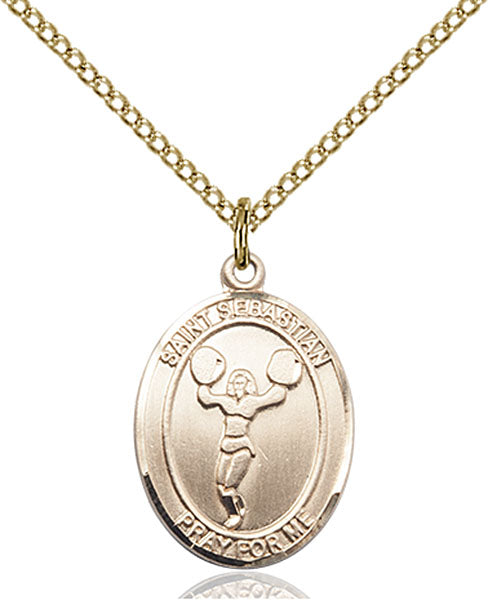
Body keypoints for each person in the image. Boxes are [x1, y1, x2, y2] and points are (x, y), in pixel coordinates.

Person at [191, 347, 302, 529]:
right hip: (226, 446)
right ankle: (240, 507)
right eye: (235, 382)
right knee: (220, 484)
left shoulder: (251, 402)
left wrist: (283, 374)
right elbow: (206, 398)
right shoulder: (226, 401)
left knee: (228, 486)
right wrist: (205, 377)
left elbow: (276, 396)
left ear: (248, 384)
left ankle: (235, 516)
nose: (238, 386)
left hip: (242, 447)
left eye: (241, 382)